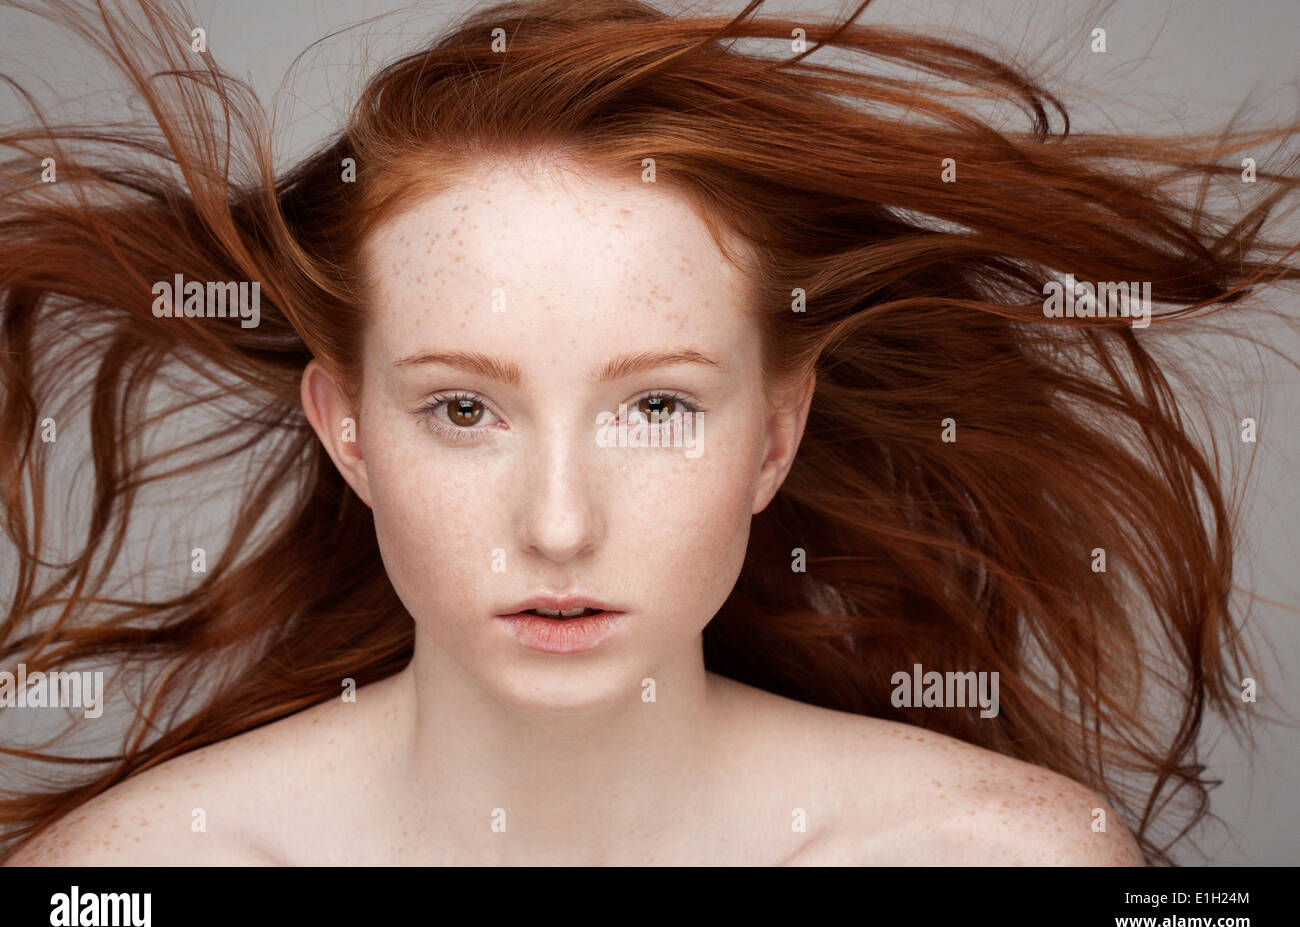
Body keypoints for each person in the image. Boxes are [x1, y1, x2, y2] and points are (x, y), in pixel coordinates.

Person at [2, 0, 1296, 866]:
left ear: (776, 435)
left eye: (658, 405)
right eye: (464, 408)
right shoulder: (139, 877)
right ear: (347, 432)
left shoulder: (996, 859)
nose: (559, 522)